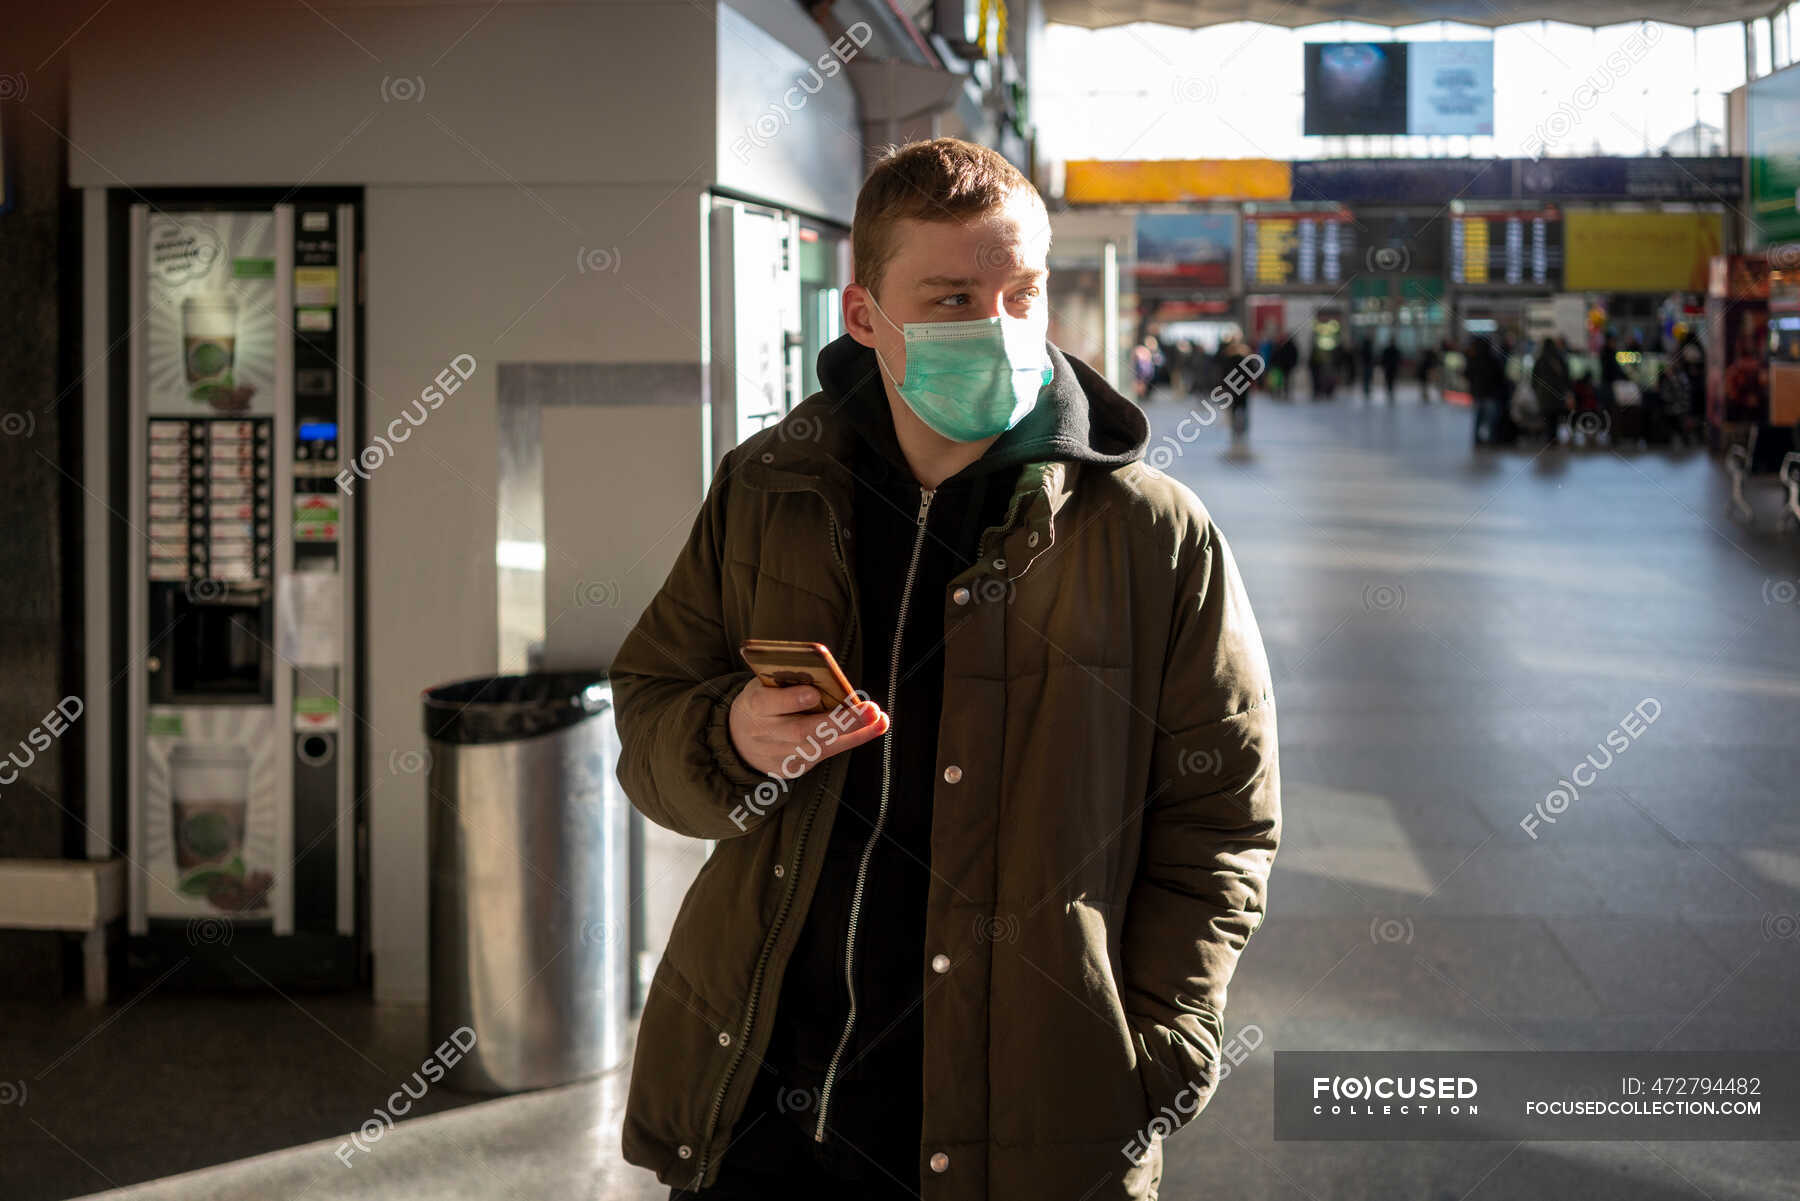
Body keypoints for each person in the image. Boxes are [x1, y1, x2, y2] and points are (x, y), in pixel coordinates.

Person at [609, 137, 1281, 1201]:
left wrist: (1159, 1046)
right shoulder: (769, 491)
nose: (1000, 328)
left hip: (1031, 1129)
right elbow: (647, 715)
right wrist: (729, 734)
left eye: (1022, 292)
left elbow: (1223, 815)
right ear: (864, 314)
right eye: (955, 295)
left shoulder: (1150, 536)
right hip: (766, 1114)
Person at [1531, 335, 1570, 446]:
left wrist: (1536, 390)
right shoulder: (1560, 358)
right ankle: (1554, 438)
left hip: (1543, 395)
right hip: (1557, 394)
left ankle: (1548, 438)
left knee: (1547, 417)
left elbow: (1534, 378)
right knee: (1555, 417)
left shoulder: (1540, 359)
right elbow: (1566, 377)